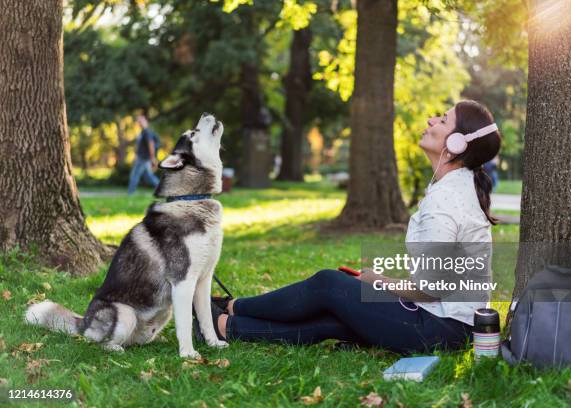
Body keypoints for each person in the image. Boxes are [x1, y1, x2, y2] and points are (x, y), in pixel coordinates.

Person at [196, 100, 501, 354]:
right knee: (334, 319)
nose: (432, 119)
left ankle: (232, 306)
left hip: (439, 329)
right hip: (451, 328)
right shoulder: (454, 187)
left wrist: (377, 282)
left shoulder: (448, 199)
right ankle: (225, 326)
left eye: (443, 120)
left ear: (457, 143)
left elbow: (431, 289)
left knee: (328, 284)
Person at [128, 115, 160, 195]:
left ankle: (130, 194)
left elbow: (151, 144)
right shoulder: (142, 132)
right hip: (142, 158)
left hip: (143, 158)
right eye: (139, 121)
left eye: (141, 121)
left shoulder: (146, 132)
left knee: (134, 176)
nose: (140, 123)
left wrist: (153, 158)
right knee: (149, 177)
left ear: (146, 121)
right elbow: (140, 147)